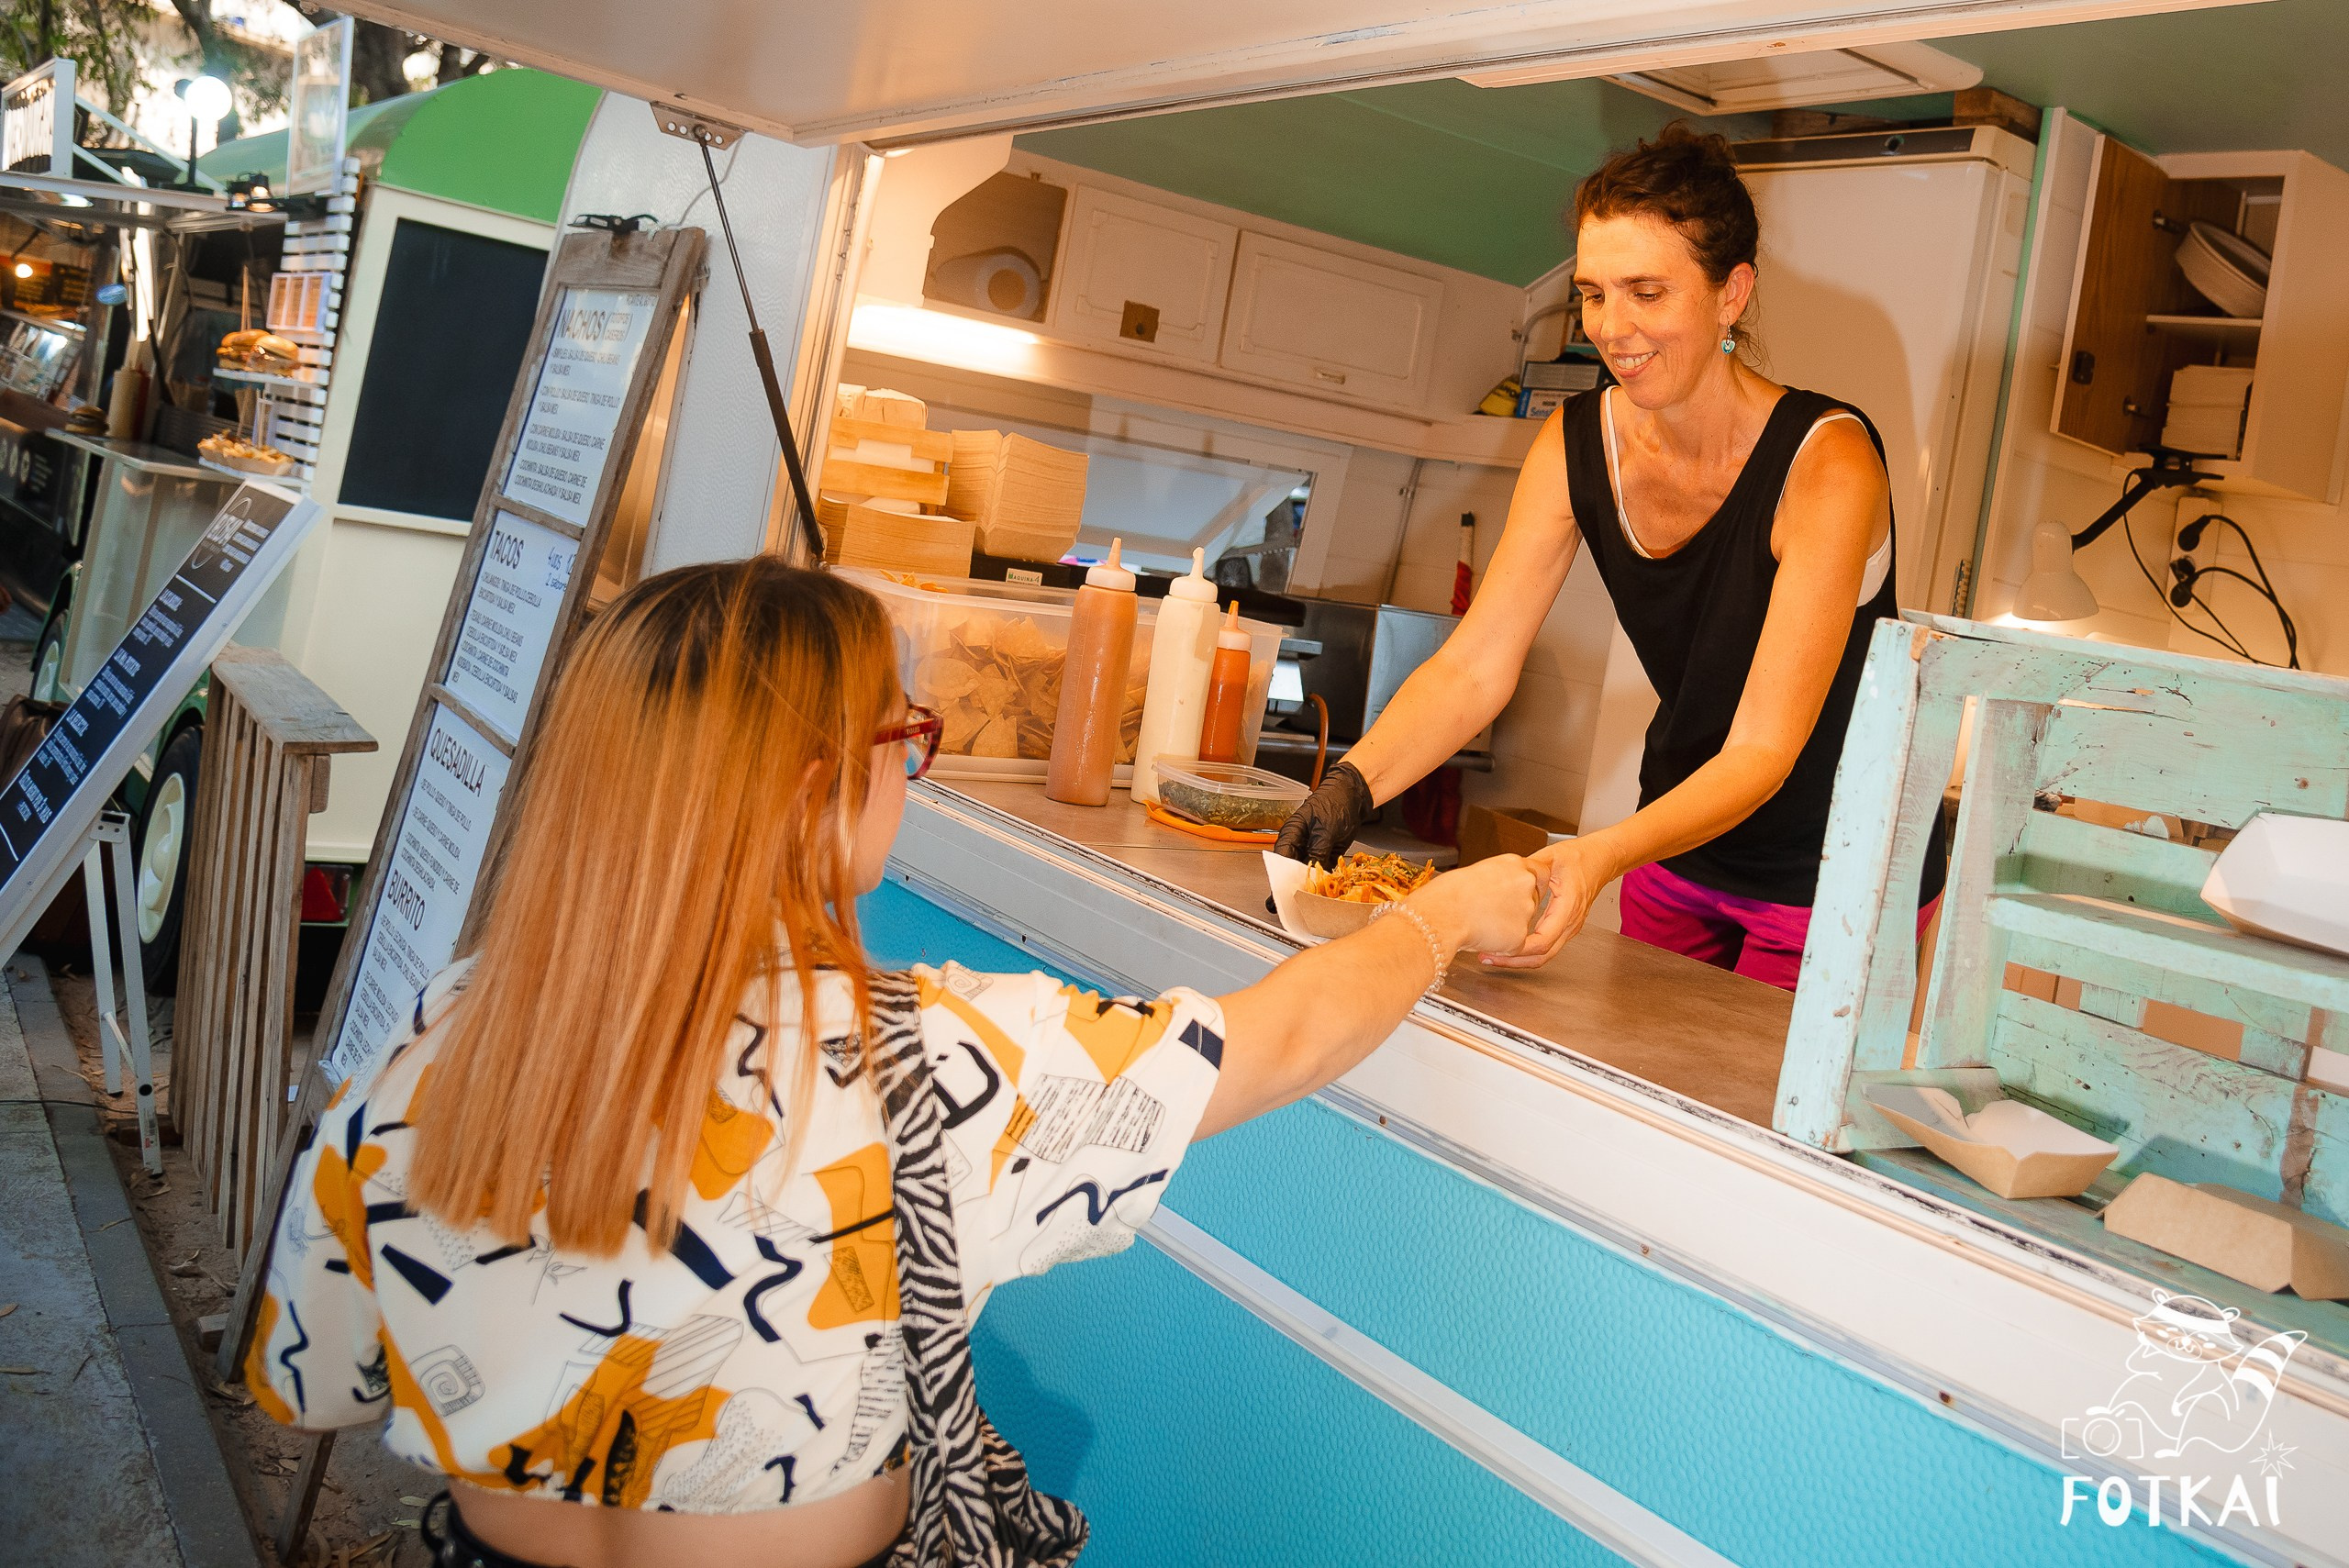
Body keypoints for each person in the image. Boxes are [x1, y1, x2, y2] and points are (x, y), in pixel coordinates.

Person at [245, 559, 1537, 1568]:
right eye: (903, 738)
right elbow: (1285, 1036)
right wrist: (1443, 917)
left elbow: (311, 1385)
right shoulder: (941, 1058)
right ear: (816, 788)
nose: (909, 770)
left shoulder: (440, 1042)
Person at [1275, 123, 1943, 989]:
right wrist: (1352, 784)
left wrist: (1595, 857)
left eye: (1646, 292)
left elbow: (1762, 750)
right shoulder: (1575, 443)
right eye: (1593, 293)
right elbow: (1476, 666)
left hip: (1841, 863)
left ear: (1732, 294)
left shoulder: (1827, 463)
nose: (1612, 328)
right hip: (1679, 843)